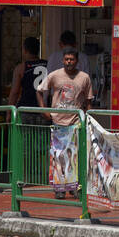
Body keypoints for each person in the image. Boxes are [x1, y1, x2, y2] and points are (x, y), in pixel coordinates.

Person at [39, 49, 93, 199]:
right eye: (66, 59)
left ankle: (73, 186)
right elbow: (40, 90)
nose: (69, 62)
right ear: (63, 60)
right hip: (58, 122)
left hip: (76, 123)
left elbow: (89, 101)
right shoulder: (54, 75)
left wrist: (88, 118)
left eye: (72, 59)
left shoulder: (84, 78)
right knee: (58, 155)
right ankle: (59, 187)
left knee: (74, 156)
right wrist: (44, 111)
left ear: (77, 61)